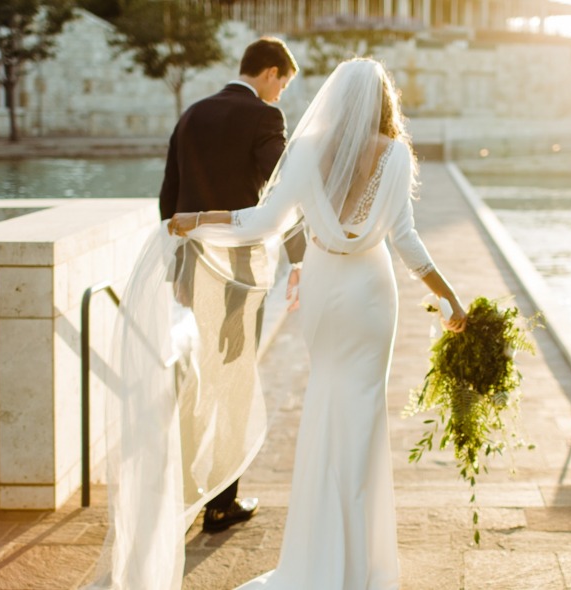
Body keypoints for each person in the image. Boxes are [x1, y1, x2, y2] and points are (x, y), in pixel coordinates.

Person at [168, 57, 467, 589]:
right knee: (364, 412)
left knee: (326, 403)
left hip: (327, 289)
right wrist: (450, 299)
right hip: (372, 294)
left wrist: (197, 220)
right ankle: (363, 560)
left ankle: (319, 554)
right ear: (383, 101)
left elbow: (260, 222)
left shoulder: (306, 149)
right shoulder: (396, 154)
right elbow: (406, 240)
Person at [159, 36, 302, 535]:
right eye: (283, 82)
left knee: (208, 374)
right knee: (235, 377)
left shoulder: (193, 114)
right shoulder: (264, 118)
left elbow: (168, 201)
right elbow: (283, 191)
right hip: (240, 271)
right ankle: (221, 503)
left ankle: (189, 487)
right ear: (269, 71)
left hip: (196, 268)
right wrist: (301, 252)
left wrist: (178, 269)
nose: (281, 93)